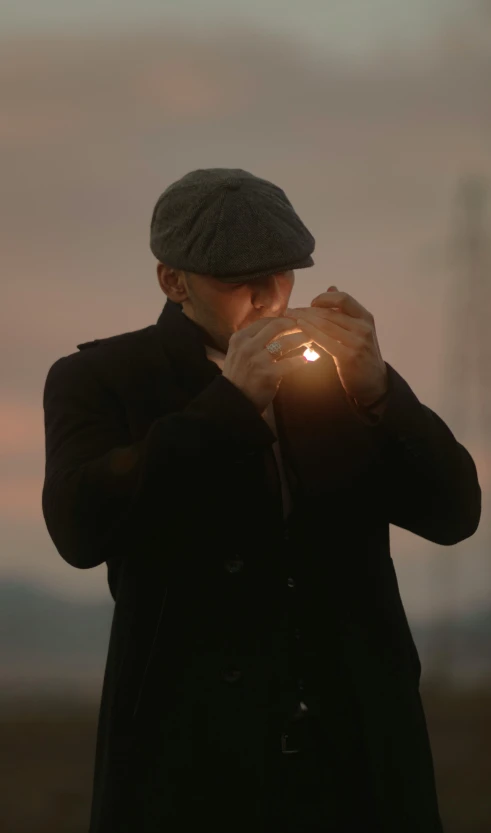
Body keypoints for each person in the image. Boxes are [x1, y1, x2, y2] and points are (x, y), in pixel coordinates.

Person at [41, 167, 481, 833]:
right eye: (236, 278)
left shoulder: (337, 375)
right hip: (190, 768)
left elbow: (454, 512)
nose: (267, 296)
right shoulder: (100, 379)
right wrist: (227, 406)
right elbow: (79, 527)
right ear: (172, 280)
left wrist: (379, 392)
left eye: (280, 273)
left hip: (358, 763)